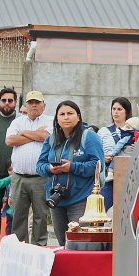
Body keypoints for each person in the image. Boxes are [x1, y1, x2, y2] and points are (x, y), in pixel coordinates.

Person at [35, 100, 105, 246]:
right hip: (56, 198)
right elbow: (40, 166)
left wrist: (72, 167)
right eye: (62, 114)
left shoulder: (89, 137)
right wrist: (50, 169)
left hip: (81, 199)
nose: (66, 117)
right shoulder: (51, 139)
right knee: (63, 243)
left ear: (78, 117)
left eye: (70, 113)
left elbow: (97, 165)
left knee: (79, 243)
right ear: (57, 119)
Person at [6, 90, 53, 246]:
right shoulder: (17, 122)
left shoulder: (50, 120)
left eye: (37, 102)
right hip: (19, 176)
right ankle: (19, 247)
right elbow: (10, 140)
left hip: (40, 177)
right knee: (18, 215)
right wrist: (36, 134)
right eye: (31, 102)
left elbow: (46, 137)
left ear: (43, 105)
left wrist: (25, 133)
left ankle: (39, 247)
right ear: (25, 105)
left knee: (40, 215)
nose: (34, 105)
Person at [96, 97, 135, 209]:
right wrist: (103, 157)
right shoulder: (103, 131)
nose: (116, 112)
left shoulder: (135, 130)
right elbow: (96, 154)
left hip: (129, 175)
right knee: (102, 208)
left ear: (126, 111)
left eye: (119, 109)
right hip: (109, 176)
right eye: (114, 109)